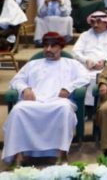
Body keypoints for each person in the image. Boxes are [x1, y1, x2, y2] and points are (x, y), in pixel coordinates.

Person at [2, 32, 89, 165]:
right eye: (46, 46)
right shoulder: (33, 64)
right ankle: (18, 155)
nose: (48, 49)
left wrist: (68, 88)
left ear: (60, 47)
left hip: (59, 101)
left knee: (64, 109)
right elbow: (17, 80)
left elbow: (85, 77)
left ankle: (61, 154)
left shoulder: (71, 64)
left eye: (53, 46)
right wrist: (25, 89)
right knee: (18, 110)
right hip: (34, 101)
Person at [72, 12, 107, 105]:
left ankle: (97, 107)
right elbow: (75, 52)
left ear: (106, 22)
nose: (95, 25)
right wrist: (86, 60)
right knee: (82, 77)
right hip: (86, 67)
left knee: (98, 78)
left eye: (99, 22)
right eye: (93, 22)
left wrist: (105, 61)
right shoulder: (85, 35)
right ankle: (84, 107)